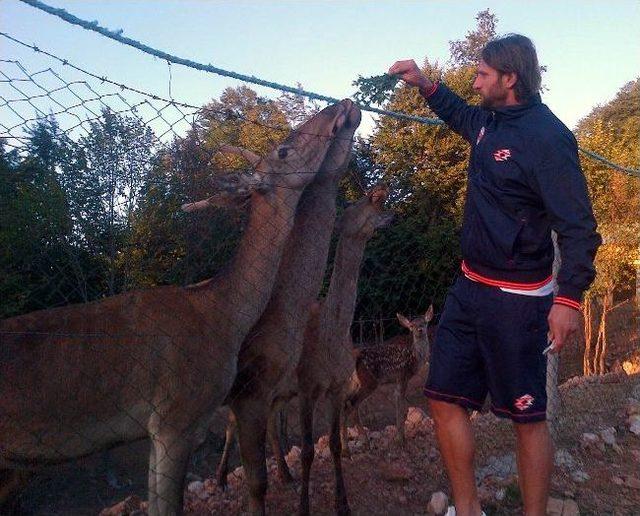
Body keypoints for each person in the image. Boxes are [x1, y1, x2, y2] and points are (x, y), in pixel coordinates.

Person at [389, 34, 601, 516]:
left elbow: (579, 229)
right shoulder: (489, 121)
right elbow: (463, 116)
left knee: (526, 417)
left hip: (520, 300)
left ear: (511, 79)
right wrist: (425, 84)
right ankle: (467, 510)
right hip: (469, 289)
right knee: (442, 398)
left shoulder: (549, 140)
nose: (475, 79)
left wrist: (568, 299)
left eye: (484, 74)